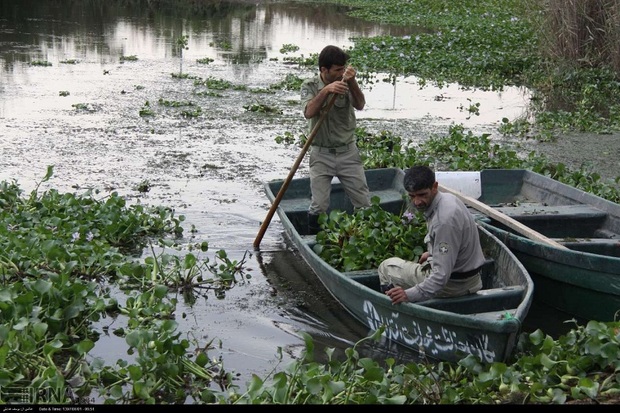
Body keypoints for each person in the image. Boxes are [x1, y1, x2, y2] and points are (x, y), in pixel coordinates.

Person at [378, 165, 486, 304]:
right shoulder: (449, 199)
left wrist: (408, 295)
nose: (417, 202)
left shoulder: (444, 221)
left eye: (422, 195)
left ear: (434, 186)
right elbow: (452, 244)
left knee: (387, 267)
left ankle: (396, 310)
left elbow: (440, 277)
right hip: (470, 278)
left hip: (453, 286)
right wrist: (431, 253)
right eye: (412, 196)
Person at [300, 45, 370, 234]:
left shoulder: (346, 82)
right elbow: (309, 112)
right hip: (321, 154)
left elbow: (360, 104)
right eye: (337, 70)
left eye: (343, 68)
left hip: (348, 152)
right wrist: (326, 91)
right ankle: (314, 241)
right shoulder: (310, 85)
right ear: (324, 70)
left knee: (363, 203)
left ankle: (364, 237)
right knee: (319, 205)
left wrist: (352, 82)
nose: (341, 73)